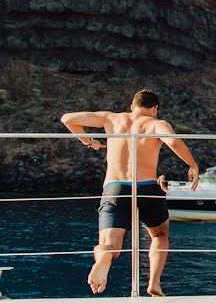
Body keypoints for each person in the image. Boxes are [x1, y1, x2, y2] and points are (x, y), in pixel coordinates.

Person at [61, 90, 200, 297]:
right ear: (154, 109)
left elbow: (68, 119)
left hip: (115, 188)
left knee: (108, 245)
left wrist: (88, 141)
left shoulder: (111, 118)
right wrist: (192, 165)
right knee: (160, 235)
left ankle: (103, 259)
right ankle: (154, 283)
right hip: (147, 187)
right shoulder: (156, 123)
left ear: (132, 106)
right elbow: (172, 141)